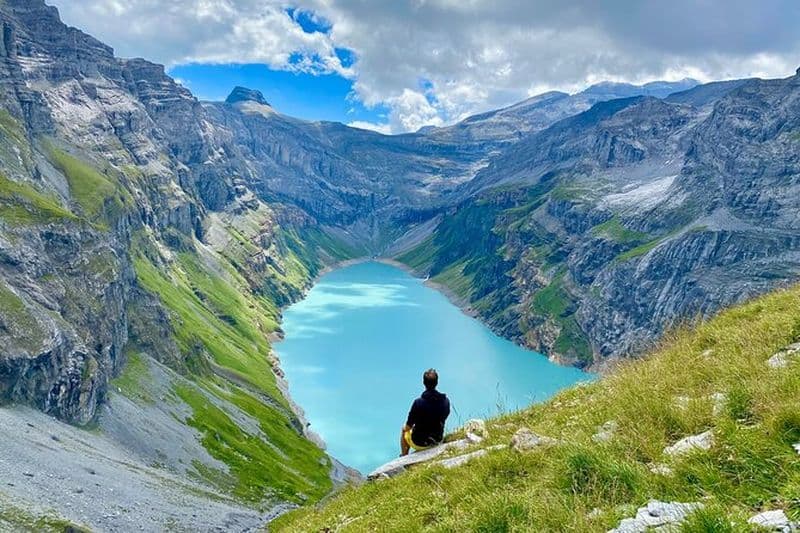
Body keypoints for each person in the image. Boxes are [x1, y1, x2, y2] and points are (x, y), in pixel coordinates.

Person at [400, 368, 450, 456]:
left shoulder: (418, 403)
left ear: (424, 383)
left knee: (404, 430)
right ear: (437, 382)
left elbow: (408, 426)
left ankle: (404, 457)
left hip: (420, 442)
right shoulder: (445, 400)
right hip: (437, 439)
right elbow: (445, 416)